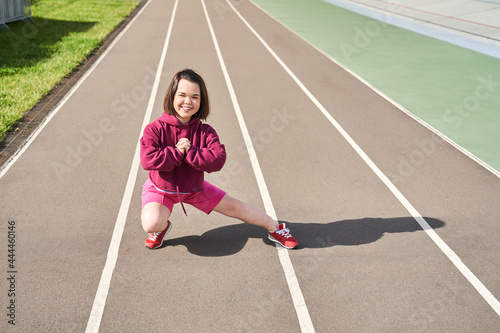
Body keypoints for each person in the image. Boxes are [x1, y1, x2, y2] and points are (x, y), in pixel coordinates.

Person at [139, 69, 298, 250]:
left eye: (195, 97)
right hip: (160, 188)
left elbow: (218, 159)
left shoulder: (206, 132)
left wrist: (190, 152)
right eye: (182, 95)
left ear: (202, 101)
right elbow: (148, 159)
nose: (188, 102)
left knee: (236, 208)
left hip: (194, 188)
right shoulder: (154, 128)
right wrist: (176, 152)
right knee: (151, 223)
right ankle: (160, 228)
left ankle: (276, 228)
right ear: (172, 96)